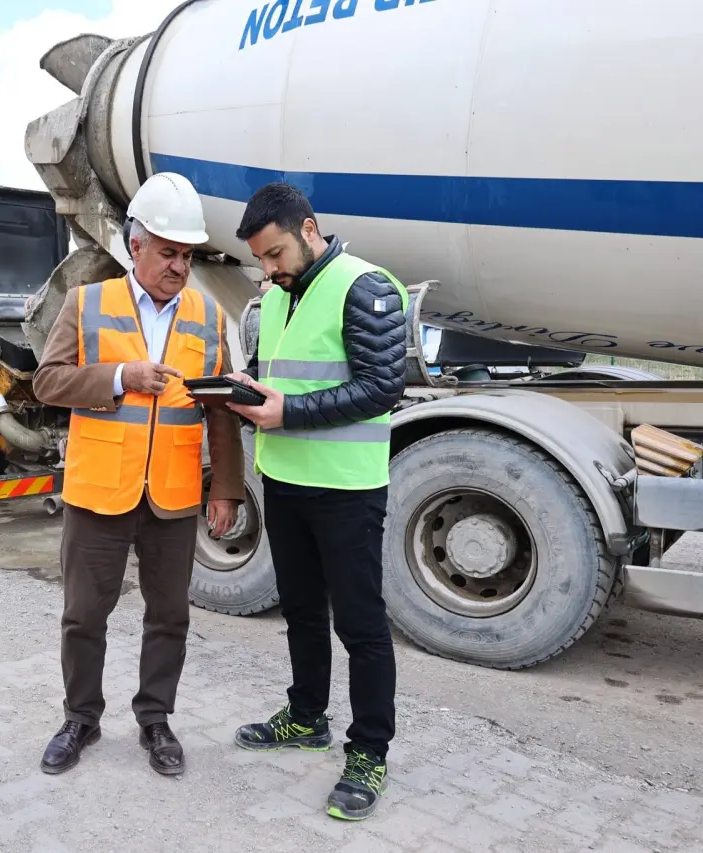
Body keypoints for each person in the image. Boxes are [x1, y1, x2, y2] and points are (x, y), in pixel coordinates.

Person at [32, 172, 245, 777]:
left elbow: (220, 409)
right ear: (136, 245)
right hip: (99, 490)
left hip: (173, 495)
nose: (179, 266)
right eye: (168, 252)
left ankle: (156, 718)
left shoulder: (207, 316)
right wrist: (120, 378)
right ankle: (81, 717)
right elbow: (47, 382)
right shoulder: (87, 303)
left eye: (187, 255)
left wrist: (226, 489)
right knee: (83, 616)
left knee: (169, 616)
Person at [224, 181, 408, 822]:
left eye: (274, 254)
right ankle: (306, 718)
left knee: (361, 626)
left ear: (309, 229)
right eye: (259, 260)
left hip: (346, 489)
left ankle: (369, 753)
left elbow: (383, 386)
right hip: (285, 481)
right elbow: (275, 377)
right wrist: (242, 390)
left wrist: (289, 412)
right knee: (301, 611)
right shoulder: (276, 298)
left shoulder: (366, 286)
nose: (268, 270)